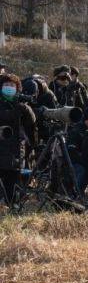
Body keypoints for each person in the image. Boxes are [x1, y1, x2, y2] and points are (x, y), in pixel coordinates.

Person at [0, 74, 37, 205]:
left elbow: (31, 125)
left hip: (16, 150)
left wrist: (27, 109)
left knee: (13, 182)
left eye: (12, 85)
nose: (9, 88)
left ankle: (11, 204)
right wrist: (16, 109)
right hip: (2, 148)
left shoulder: (21, 105)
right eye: (6, 85)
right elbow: (5, 116)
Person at [67, 106, 88, 194]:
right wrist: (86, 161)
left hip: (87, 161)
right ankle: (76, 194)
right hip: (74, 162)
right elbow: (72, 152)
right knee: (83, 170)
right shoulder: (76, 131)